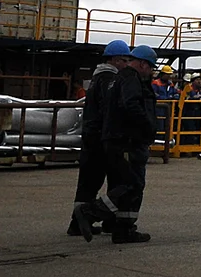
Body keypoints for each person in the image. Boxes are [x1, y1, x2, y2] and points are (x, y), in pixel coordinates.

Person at [73, 45, 159, 244]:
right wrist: (147, 128)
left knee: (129, 185)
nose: (152, 72)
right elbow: (132, 106)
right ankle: (90, 212)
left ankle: (123, 229)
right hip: (128, 140)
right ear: (143, 64)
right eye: (151, 67)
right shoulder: (130, 79)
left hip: (119, 139)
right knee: (131, 184)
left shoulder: (119, 79)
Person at [67, 40, 131, 237]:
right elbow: (109, 110)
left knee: (88, 183)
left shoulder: (96, 78)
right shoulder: (109, 80)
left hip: (90, 137)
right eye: (123, 60)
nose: (126, 64)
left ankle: (76, 224)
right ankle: (108, 221)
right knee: (119, 181)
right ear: (113, 60)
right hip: (101, 139)